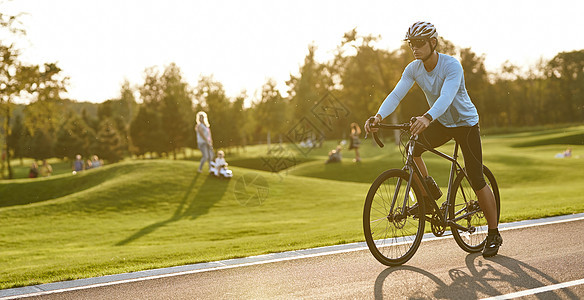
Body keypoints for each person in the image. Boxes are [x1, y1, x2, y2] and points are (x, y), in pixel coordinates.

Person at [365, 21, 502, 257]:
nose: (414, 48)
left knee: (476, 177)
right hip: (444, 123)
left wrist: (427, 117)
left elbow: (447, 96)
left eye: (419, 43)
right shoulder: (413, 68)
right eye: (411, 44)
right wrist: (378, 116)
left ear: (433, 42)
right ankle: (429, 197)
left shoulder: (452, 66)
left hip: (465, 124)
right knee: (413, 148)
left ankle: (493, 233)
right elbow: (397, 93)